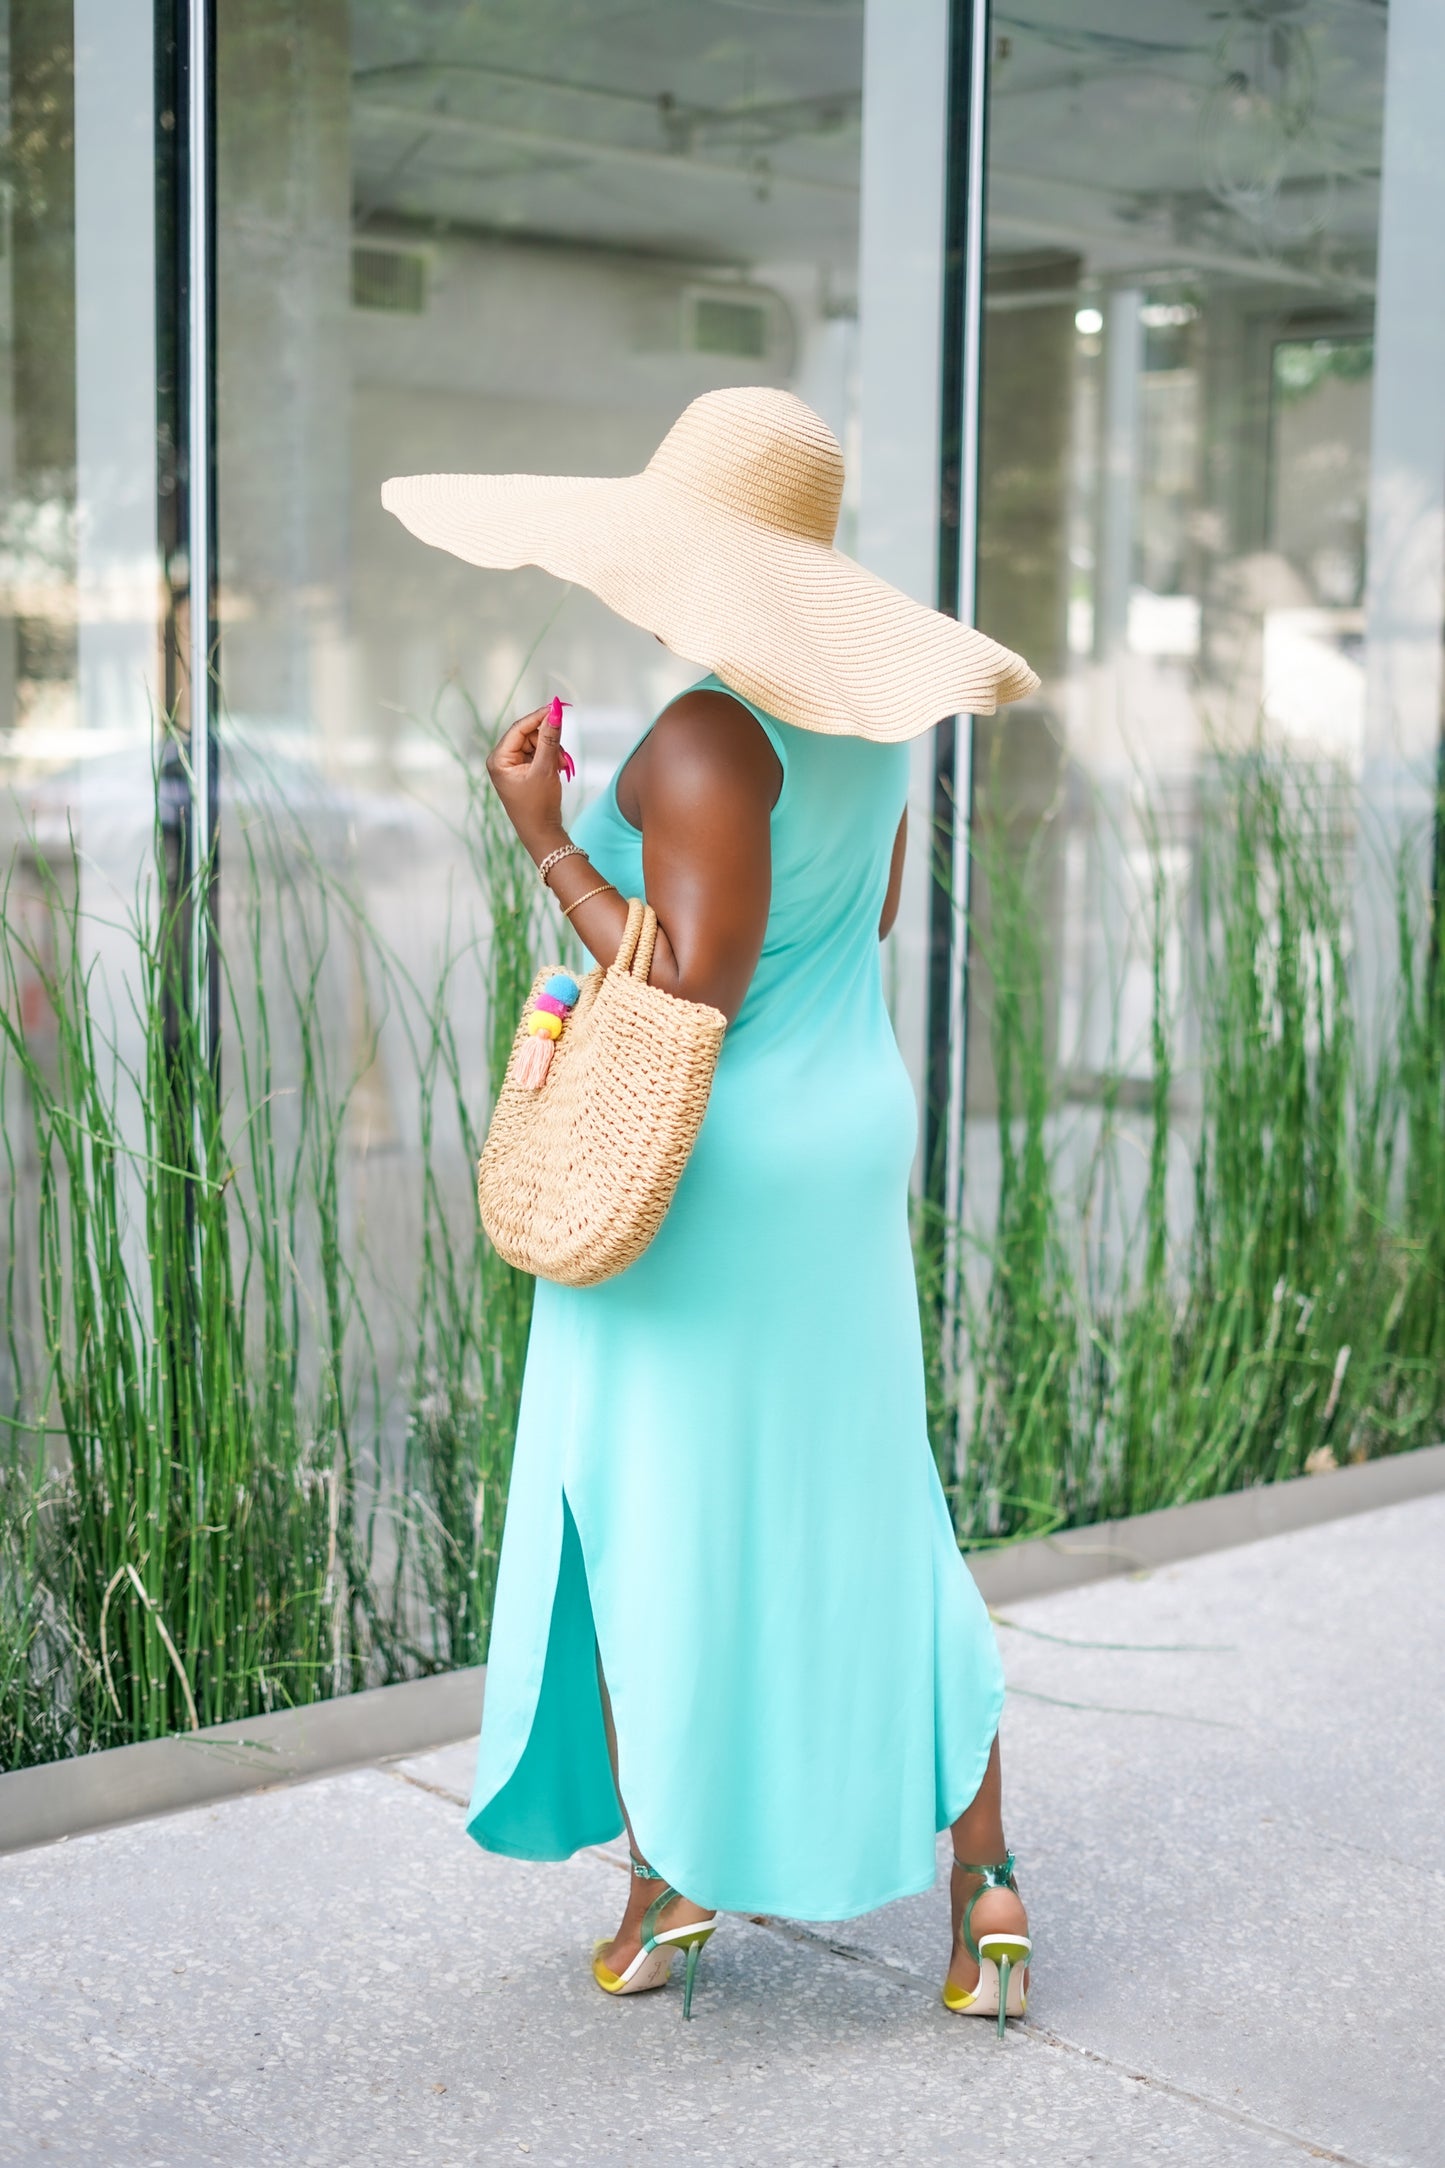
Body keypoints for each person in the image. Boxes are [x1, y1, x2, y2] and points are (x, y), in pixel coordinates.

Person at [383, 387, 1039, 2030]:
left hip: (705, 1167)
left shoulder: (696, 738)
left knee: (651, 1512)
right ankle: (986, 1895)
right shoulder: (867, 728)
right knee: (869, 1504)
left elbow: (688, 988)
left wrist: (545, 841)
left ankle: (669, 1881)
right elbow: (856, 924)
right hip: (843, 1142)